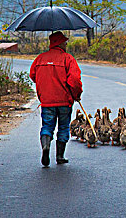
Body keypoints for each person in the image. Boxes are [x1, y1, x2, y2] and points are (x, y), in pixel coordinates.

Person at [30, 31, 83, 167]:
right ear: (59, 43)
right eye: (64, 42)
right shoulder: (68, 59)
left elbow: (33, 75)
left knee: (47, 126)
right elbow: (75, 80)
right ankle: (60, 156)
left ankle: (46, 146)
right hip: (64, 101)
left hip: (47, 101)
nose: (66, 44)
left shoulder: (40, 59)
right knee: (63, 127)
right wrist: (76, 94)